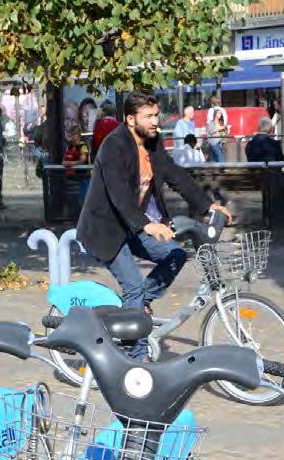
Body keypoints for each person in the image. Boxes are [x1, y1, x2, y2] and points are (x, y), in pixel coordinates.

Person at [76, 92, 232, 359]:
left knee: (175, 255)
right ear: (129, 119)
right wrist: (145, 225)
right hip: (106, 229)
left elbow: (175, 174)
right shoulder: (114, 146)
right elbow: (117, 193)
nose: (154, 121)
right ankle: (135, 358)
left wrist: (208, 205)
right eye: (148, 116)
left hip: (133, 225)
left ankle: (138, 306)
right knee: (133, 286)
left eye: (156, 115)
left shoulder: (153, 142)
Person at [245, 117, 284, 197]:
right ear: (270, 129)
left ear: (259, 128)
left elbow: (249, 156)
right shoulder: (273, 143)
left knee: (280, 177)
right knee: (281, 177)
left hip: (255, 170)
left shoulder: (250, 143)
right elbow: (281, 160)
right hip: (270, 171)